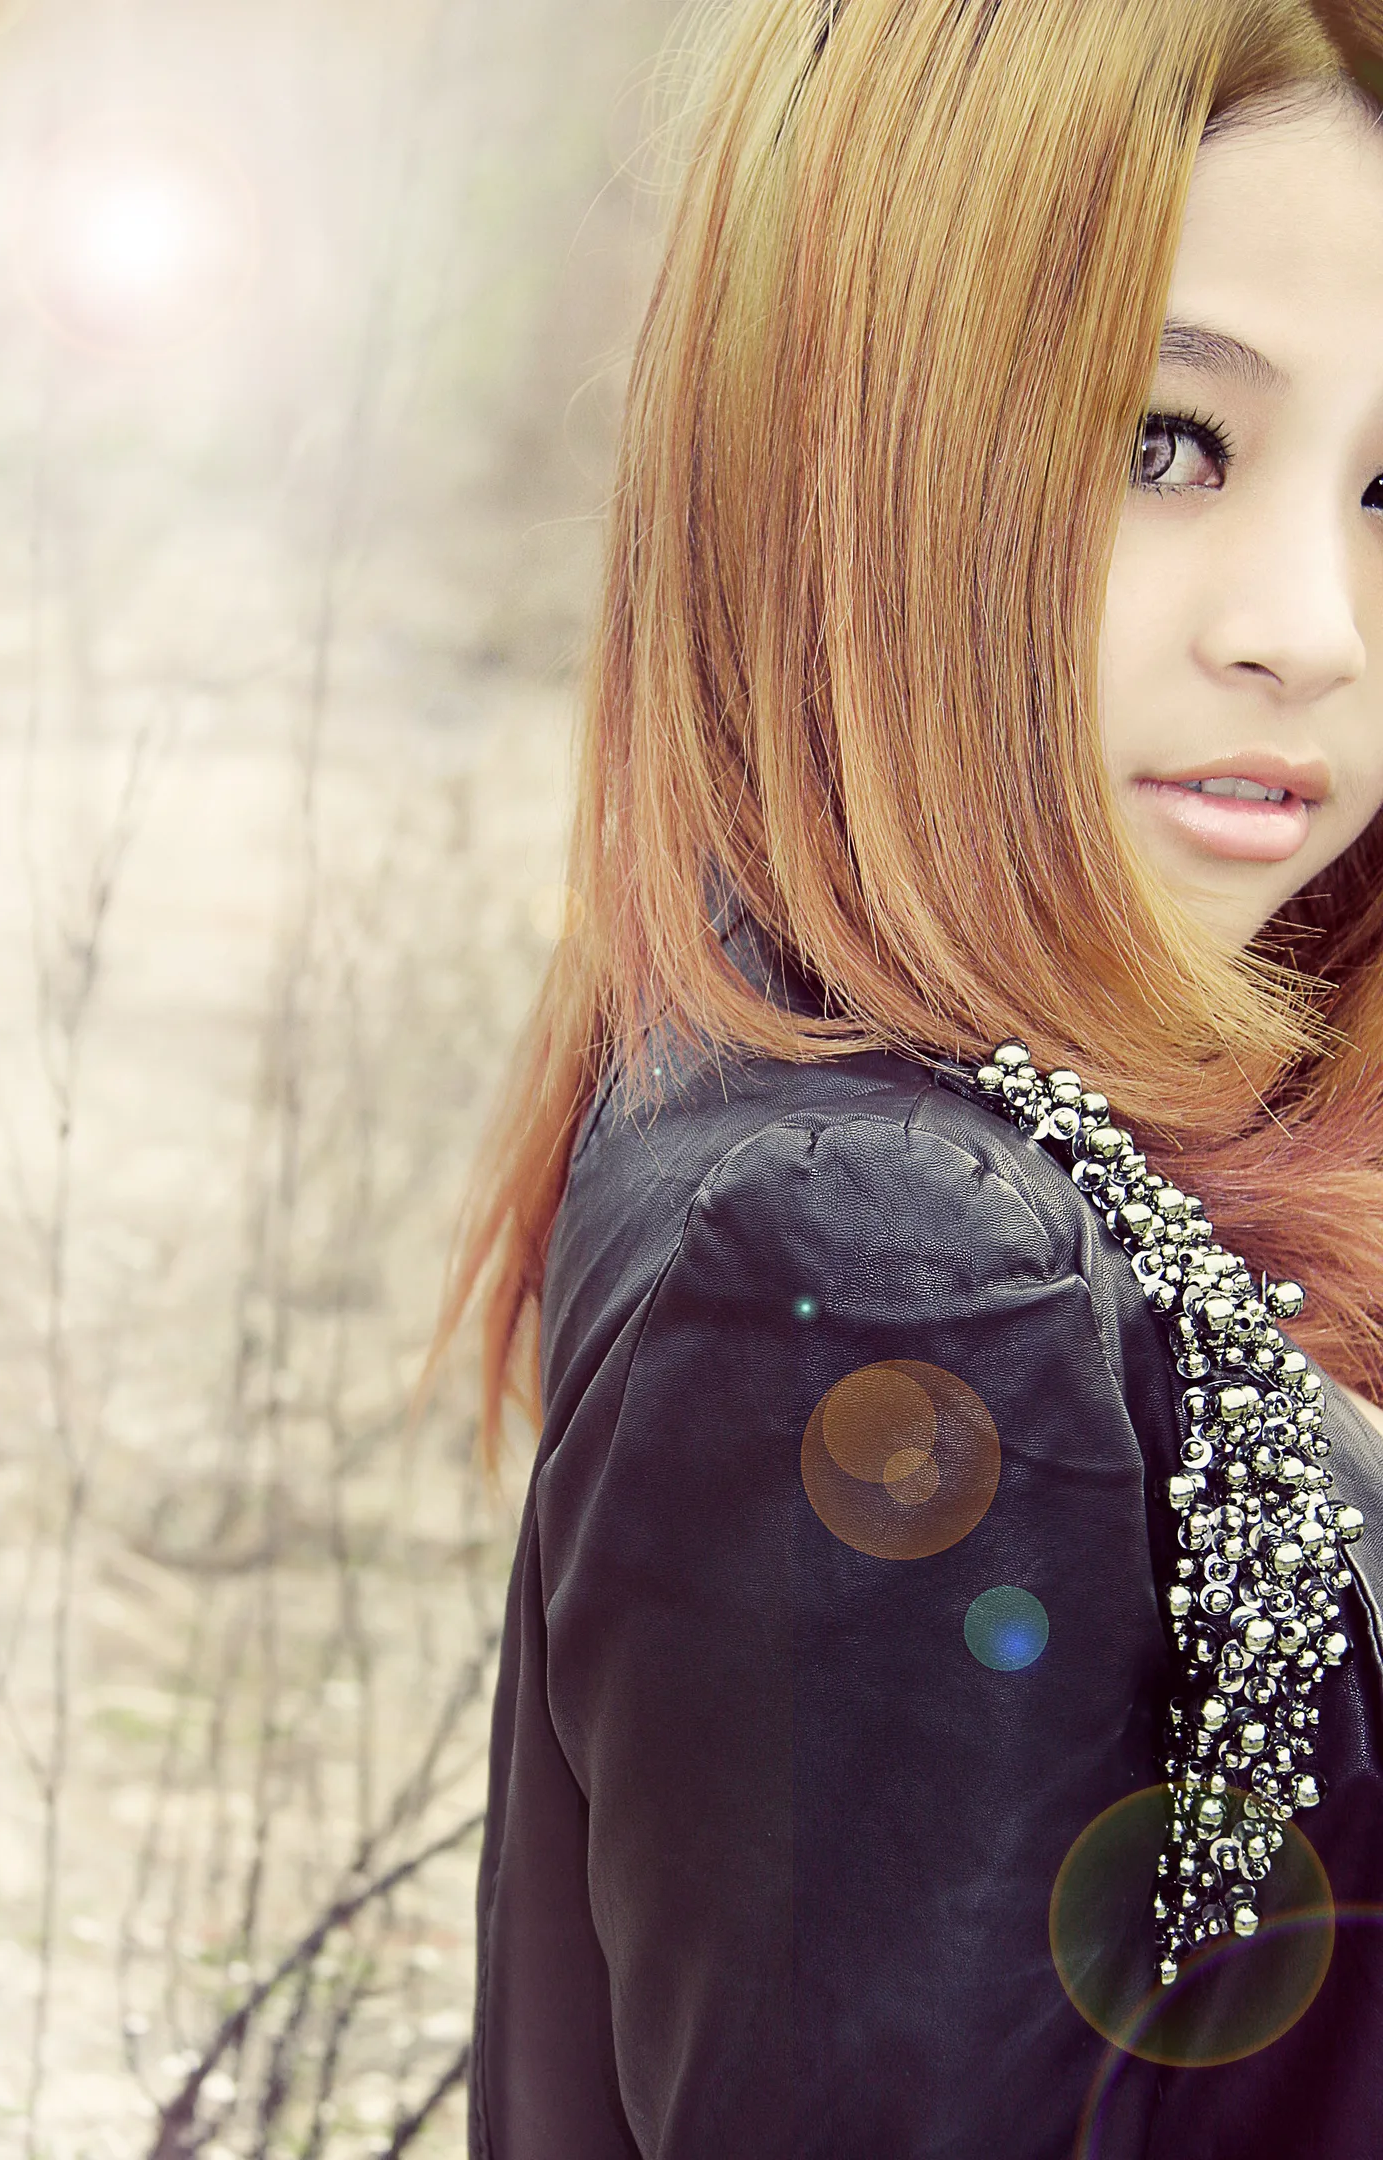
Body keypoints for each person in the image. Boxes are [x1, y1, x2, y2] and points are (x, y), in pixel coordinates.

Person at [418, 1, 1383, 2151]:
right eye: (1167, 441)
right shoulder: (887, 1254)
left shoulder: (942, 1117)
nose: (1312, 627)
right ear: (848, 448)